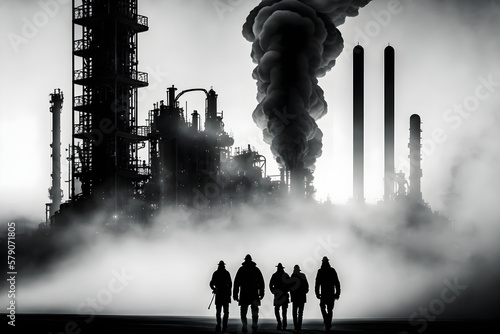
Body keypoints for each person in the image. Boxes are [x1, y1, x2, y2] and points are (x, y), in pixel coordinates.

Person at [233, 254, 265, 333]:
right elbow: (261, 282)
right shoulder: (256, 269)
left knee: (243, 312)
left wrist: (235, 294)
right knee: (254, 311)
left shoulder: (241, 269)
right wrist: (261, 292)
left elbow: (236, 283)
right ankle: (254, 325)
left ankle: (245, 326)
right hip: (254, 294)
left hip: (244, 294)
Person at [315, 256, 341, 332]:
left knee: (323, 307)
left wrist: (317, 293)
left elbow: (317, 283)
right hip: (330, 293)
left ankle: (327, 321)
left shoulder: (320, 271)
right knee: (329, 309)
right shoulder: (332, 270)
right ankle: (328, 322)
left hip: (324, 293)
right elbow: (337, 283)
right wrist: (337, 293)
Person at [209, 260, 232, 333]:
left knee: (219, 311)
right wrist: (229, 293)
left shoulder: (216, 273)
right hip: (224, 295)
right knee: (225, 312)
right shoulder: (226, 273)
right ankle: (223, 325)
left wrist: (214, 289)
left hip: (220, 295)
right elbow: (230, 284)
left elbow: (211, 284)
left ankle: (220, 324)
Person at [269, 263, 290, 330]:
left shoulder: (275, 275)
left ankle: (280, 323)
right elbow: (290, 284)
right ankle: (283, 324)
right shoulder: (285, 275)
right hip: (283, 295)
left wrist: (273, 291)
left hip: (278, 295)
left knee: (277, 309)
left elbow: (270, 285)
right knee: (284, 311)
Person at [289, 264, 309, 331]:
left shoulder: (292, 276)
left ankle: (296, 326)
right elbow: (306, 286)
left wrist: (292, 295)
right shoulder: (303, 276)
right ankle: (299, 326)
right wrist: (304, 292)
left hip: (295, 298)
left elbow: (290, 287)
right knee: (300, 313)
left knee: (295, 312)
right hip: (302, 297)